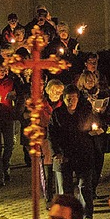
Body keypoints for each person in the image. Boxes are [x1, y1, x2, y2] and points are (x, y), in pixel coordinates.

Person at [48, 85, 98, 219]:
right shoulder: (57, 114)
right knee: (66, 189)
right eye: (69, 99)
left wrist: (97, 130)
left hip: (83, 154)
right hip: (64, 156)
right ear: (64, 99)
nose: (72, 102)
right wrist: (56, 153)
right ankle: (68, 217)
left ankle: (87, 215)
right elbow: (51, 135)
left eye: (74, 99)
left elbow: (97, 123)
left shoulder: (84, 112)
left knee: (84, 186)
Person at [39, 79, 65, 207]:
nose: (57, 93)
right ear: (48, 90)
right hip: (45, 144)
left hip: (60, 143)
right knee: (48, 172)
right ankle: (49, 199)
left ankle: (60, 198)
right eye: (55, 90)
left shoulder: (63, 106)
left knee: (60, 172)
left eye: (60, 91)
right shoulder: (41, 105)